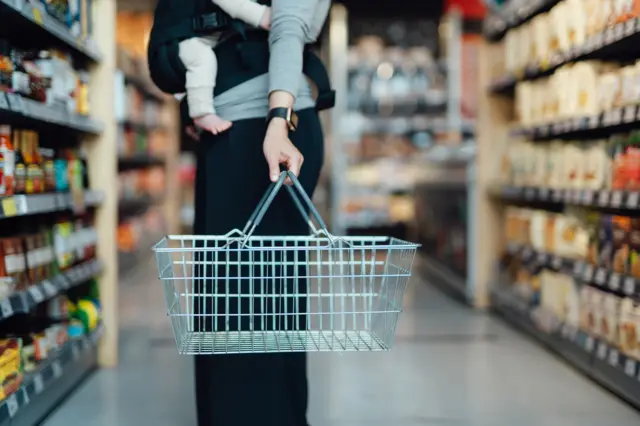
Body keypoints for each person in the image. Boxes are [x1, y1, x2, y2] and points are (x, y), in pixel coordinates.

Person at [184, 1, 332, 425]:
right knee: (221, 309)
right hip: (229, 132)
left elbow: (287, 26)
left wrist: (278, 119)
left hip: (268, 133)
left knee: (258, 309)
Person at [178, 0, 271, 134]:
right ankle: (201, 112)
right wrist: (261, 14)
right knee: (202, 58)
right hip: (189, 39)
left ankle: (191, 112)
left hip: (212, 37)